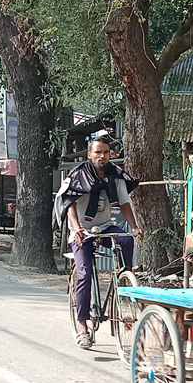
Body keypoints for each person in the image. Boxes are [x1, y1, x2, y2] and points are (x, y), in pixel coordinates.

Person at [55, 137, 142, 349]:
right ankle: (83, 325)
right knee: (84, 272)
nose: (102, 156)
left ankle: (123, 279)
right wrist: (76, 230)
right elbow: (70, 206)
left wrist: (135, 227)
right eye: (97, 152)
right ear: (89, 155)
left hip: (103, 226)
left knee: (125, 240)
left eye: (105, 152)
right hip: (82, 230)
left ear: (110, 154)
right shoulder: (79, 175)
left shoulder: (116, 174)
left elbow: (124, 203)